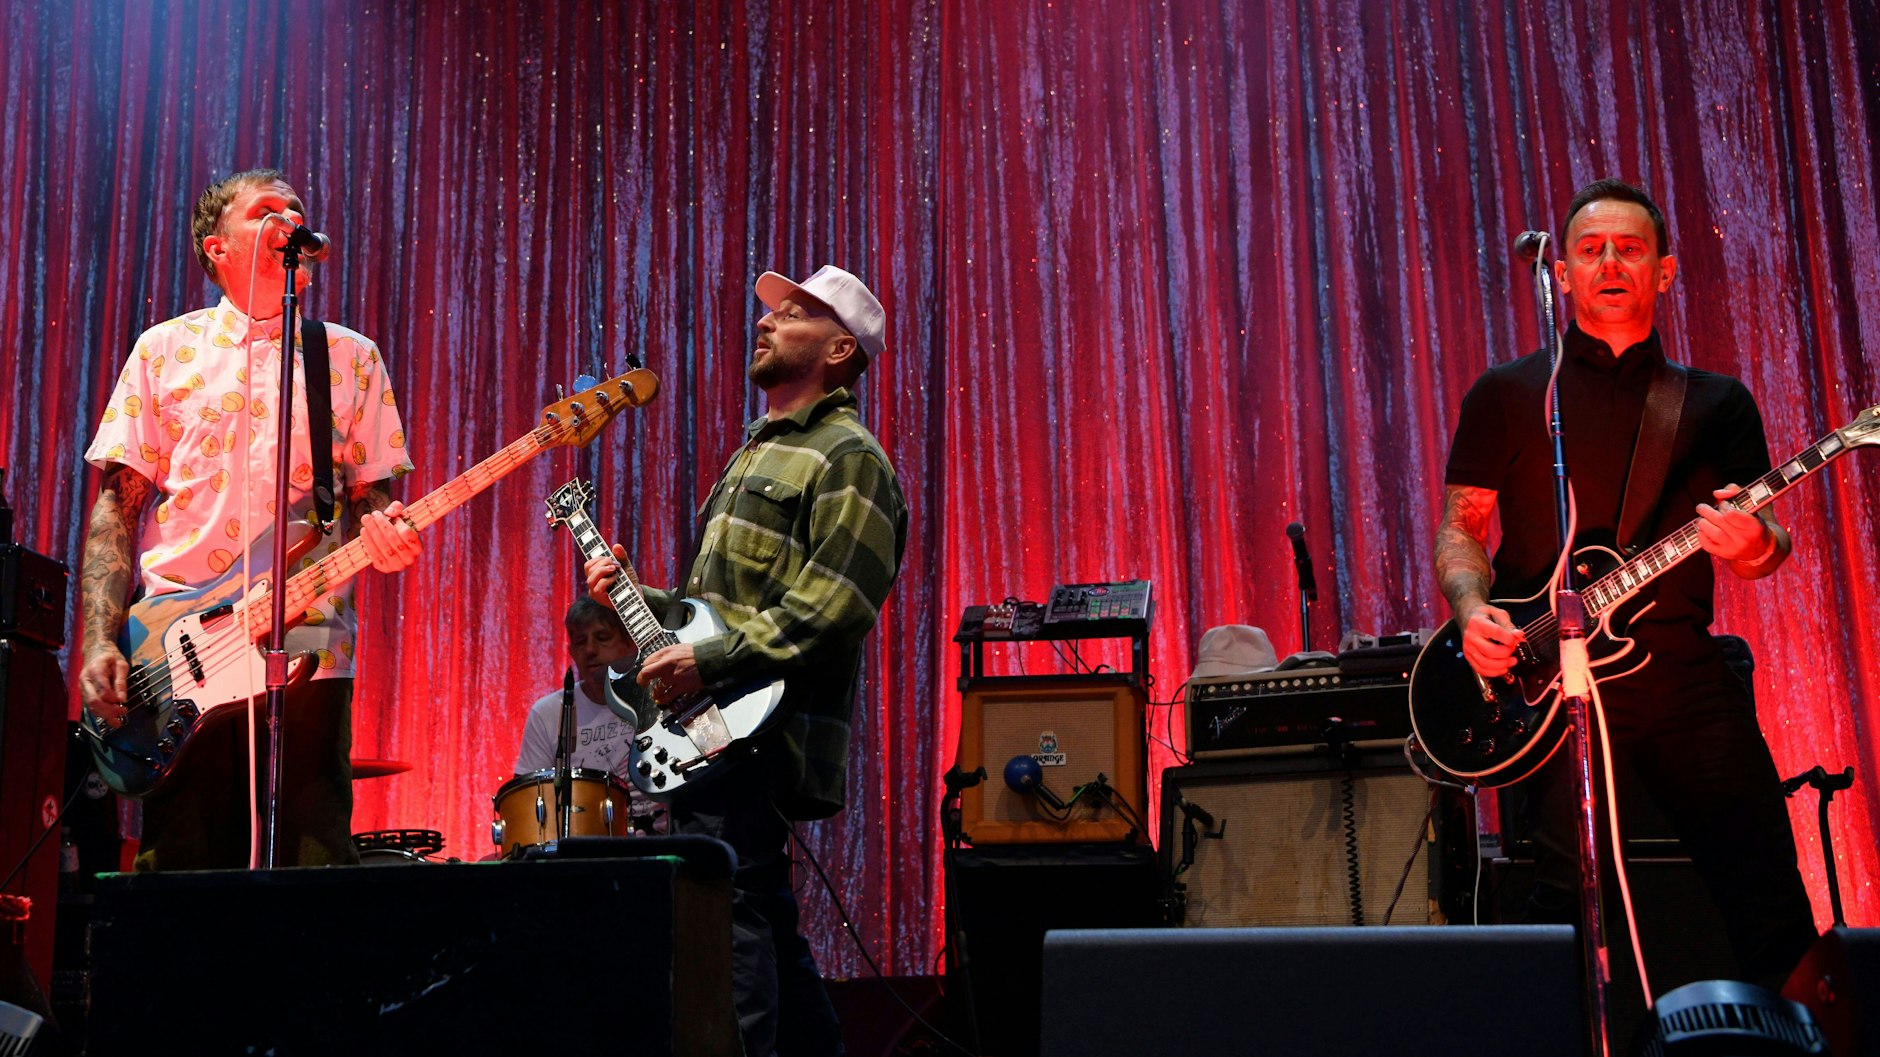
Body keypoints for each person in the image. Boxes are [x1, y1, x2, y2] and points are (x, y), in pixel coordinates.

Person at [1434, 178, 1818, 987]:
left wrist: (1753, 543)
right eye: (1590, 249)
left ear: (1666, 272)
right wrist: (1472, 612)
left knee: (1769, 897)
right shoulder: (1507, 395)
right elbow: (1461, 530)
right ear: (1563, 274)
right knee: (1560, 915)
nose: (1610, 262)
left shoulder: (1715, 402)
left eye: (1630, 248)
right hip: (1549, 681)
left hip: (1681, 680)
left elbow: (1765, 546)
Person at [586, 265, 908, 1057]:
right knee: (754, 905)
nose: (766, 322)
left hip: (763, 726)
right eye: (771, 313)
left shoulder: (848, 458)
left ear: (839, 349)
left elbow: (831, 609)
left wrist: (706, 660)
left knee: (735, 916)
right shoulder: (755, 455)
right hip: (718, 720)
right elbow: (717, 611)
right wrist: (641, 598)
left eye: (793, 315)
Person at [77, 168, 421, 871]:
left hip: (310, 644)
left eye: (297, 208)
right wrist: (96, 642)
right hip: (176, 648)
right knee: (184, 872)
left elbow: (372, 498)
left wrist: (387, 529)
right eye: (267, 210)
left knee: (314, 868)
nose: (290, 215)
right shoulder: (163, 350)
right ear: (218, 248)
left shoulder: (350, 359)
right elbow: (118, 509)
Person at [510, 597, 661, 833]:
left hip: (658, 844)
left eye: (602, 638)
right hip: (581, 848)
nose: (590, 650)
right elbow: (527, 801)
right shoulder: (548, 713)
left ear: (631, 643)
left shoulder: (661, 695)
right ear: (571, 651)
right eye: (580, 642)